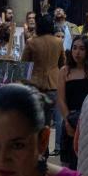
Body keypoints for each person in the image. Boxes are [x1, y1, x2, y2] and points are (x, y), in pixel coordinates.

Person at [21, 13, 65, 157]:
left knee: (36, 121)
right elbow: (62, 63)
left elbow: (24, 66)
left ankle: (40, 150)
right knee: (53, 120)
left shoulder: (31, 42)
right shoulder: (58, 42)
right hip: (54, 84)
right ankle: (54, 147)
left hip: (36, 85)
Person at [58, 35, 88, 170]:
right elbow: (61, 99)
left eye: (82, 49)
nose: (77, 52)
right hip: (70, 119)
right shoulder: (64, 71)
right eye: (75, 48)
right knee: (69, 166)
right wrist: (67, 121)